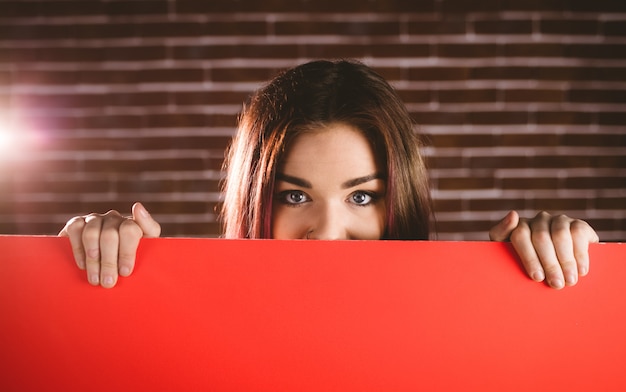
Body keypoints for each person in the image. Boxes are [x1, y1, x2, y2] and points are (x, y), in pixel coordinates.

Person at [59, 59, 599, 290]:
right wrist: (86, 269)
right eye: (294, 195)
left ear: (402, 200)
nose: (329, 235)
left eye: (362, 197)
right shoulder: (182, 331)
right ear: (253, 200)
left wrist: (554, 264)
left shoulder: (459, 333)